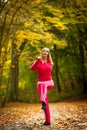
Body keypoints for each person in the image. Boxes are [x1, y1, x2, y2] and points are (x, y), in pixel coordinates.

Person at [29, 47, 54, 126]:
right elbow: (32, 69)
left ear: (48, 54)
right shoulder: (38, 61)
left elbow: (48, 73)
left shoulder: (50, 62)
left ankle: (42, 100)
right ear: (41, 52)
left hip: (49, 83)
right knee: (46, 102)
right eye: (44, 51)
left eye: (47, 51)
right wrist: (36, 61)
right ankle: (48, 121)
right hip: (41, 83)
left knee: (43, 89)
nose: (45, 52)